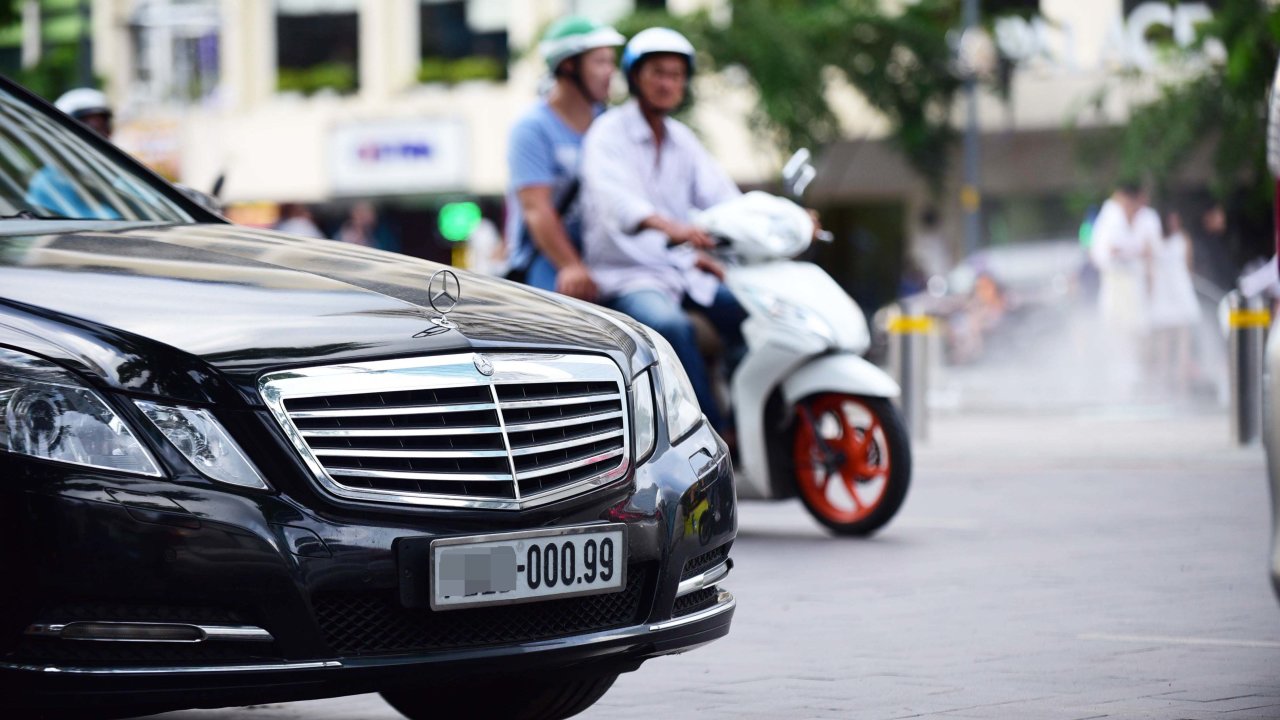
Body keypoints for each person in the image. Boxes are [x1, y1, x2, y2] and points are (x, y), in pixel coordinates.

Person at [580, 27, 748, 432]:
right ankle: (709, 434)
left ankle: (752, 425)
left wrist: (781, 218)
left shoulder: (683, 139)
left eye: (676, 74)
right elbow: (616, 202)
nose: (668, 82)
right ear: (636, 77)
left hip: (684, 272)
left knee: (753, 313)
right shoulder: (608, 133)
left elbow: (726, 199)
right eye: (658, 72)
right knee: (671, 327)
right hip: (629, 275)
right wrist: (667, 225)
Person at [505, 16, 624, 299]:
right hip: (550, 259)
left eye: (611, 61)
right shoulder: (533, 128)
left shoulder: (611, 124)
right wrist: (570, 265)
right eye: (600, 62)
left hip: (605, 256)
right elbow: (536, 209)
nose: (611, 72)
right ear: (568, 66)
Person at [1088, 182, 1160, 393]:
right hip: (1116, 281)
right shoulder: (1110, 216)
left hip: (1135, 282)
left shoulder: (1146, 217)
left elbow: (1150, 252)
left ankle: (1140, 378)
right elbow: (1102, 252)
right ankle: (1121, 379)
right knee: (1118, 330)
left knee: (1140, 331)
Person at [26, 87, 120, 219]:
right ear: (61, 132)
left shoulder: (119, 176)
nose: (100, 136)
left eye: (103, 127)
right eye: (89, 128)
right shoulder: (47, 183)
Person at [1147, 210, 1200, 393]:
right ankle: (1165, 386)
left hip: (1179, 292)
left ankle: (1181, 385)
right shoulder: (1154, 241)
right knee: (1164, 345)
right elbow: (1150, 270)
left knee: (1182, 343)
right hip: (1165, 294)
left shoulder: (1182, 239)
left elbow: (1188, 266)